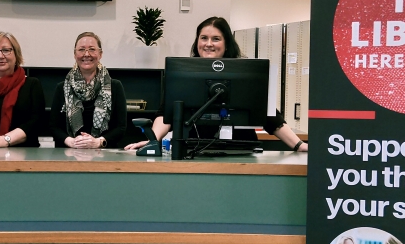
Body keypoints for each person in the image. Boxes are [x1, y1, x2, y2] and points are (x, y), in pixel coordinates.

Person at [124, 16, 308, 151]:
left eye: (216, 39)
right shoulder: (183, 74)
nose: (208, 43)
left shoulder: (245, 73)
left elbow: (270, 116)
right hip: (194, 150)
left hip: (240, 152)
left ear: (226, 43)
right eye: (203, 38)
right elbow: (166, 114)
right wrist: (152, 140)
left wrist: (299, 145)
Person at [50, 32, 128, 148]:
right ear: (75, 54)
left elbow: (121, 127)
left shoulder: (115, 86)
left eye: (92, 49)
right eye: (81, 50)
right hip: (68, 154)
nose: (86, 54)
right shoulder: (62, 88)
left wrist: (98, 142)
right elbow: (54, 127)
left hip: (104, 155)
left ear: (100, 54)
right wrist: (72, 141)